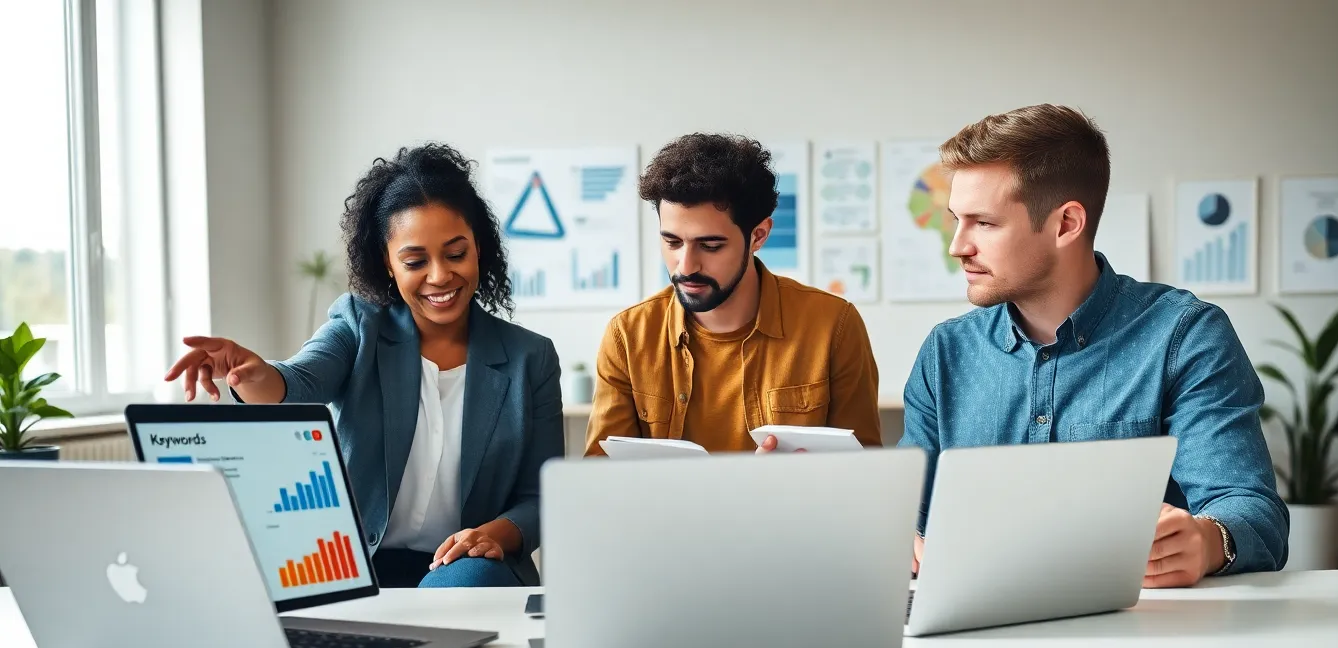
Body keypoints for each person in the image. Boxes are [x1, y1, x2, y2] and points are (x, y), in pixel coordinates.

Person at [900, 104, 1289, 586]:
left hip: (1145, 634)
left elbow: (1251, 512)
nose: (957, 246)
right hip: (974, 630)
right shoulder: (945, 353)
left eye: (984, 223)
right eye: (957, 220)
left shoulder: (1185, 336)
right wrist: (898, 535)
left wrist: (1209, 541)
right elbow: (906, 513)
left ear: (1066, 224)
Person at [165, 143, 563, 588]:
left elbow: (541, 494)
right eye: (415, 261)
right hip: (356, 563)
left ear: (479, 248)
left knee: (460, 583)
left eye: (455, 254)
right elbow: (299, 382)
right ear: (388, 265)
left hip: (464, 570)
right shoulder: (359, 325)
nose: (439, 276)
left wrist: (494, 535)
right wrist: (251, 373)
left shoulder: (532, 358)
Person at [584, 133, 881, 456]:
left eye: (710, 246)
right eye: (672, 242)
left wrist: (802, 481)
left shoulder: (833, 325)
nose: (686, 265)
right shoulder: (627, 336)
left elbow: (864, 469)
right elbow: (599, 478)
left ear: (758, 235)